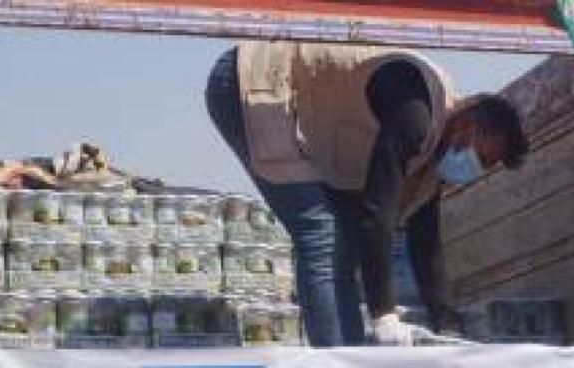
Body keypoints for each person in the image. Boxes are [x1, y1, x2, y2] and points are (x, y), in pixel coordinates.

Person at [205, 41, 529, 348]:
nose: (475, 167)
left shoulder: (434, 154)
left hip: (297, 115)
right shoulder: (416, 114)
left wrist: (445, 318)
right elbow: (377, 211)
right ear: (467, 124)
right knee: (321, 236)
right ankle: (335, 367)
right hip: (257, 85)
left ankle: (348, 356)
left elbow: (425, 237)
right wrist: (383, 313)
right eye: (482, 157)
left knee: (340, 249)